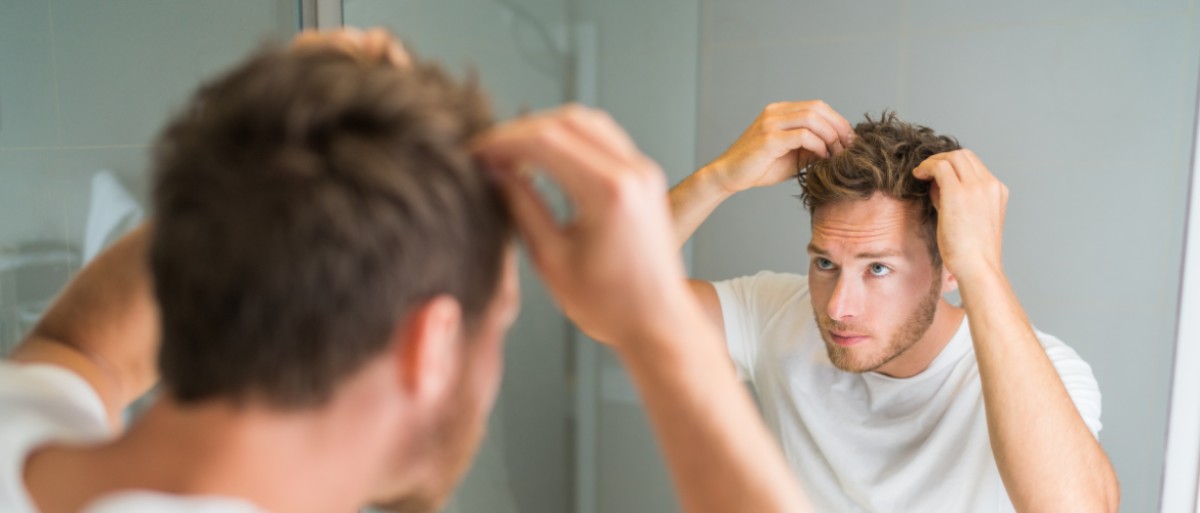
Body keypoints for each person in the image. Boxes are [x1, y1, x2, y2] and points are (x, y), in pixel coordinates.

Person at [0, 30, 808, 513]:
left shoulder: (23, 433)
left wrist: (263, 160)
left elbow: (83, 350)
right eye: (502, 317)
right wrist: (654, 324)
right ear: (433, 343)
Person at [669, 101, 1121, 513]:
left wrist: (981, 268)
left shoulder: (1045, 372)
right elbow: (601, 309)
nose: (838, 308)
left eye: (878, 269)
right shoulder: (776, 316)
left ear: (949, 270)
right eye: (826, 263)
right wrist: (717, 179)